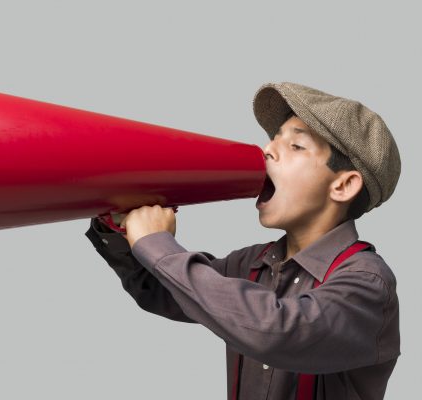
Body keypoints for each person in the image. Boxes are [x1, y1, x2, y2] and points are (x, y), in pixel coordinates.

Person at [84, 82, 401, 400]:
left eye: (296, 146)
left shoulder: (367, 283)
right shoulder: (253, 263)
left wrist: (158, 245)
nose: (267, 150)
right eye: (273, 139)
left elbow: (278, 331)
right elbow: (161, 291)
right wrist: (119, 225)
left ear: (344, 185)